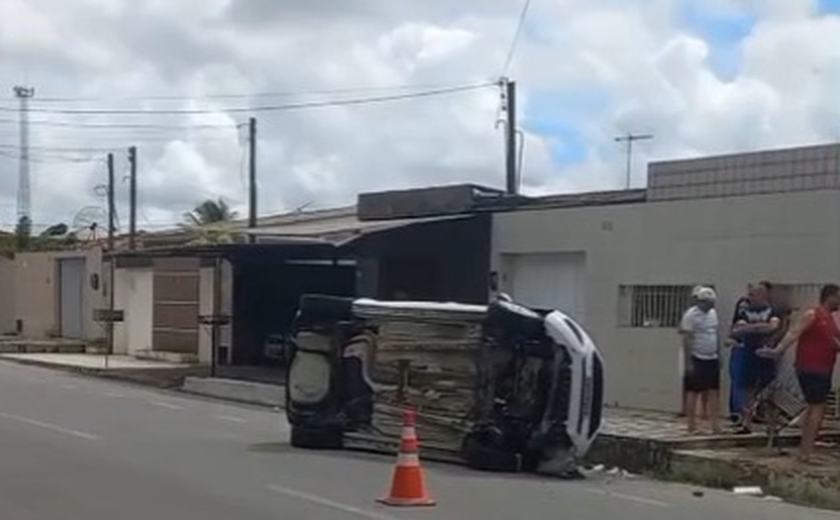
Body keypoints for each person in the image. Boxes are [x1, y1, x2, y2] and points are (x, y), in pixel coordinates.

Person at [758, 284, 840, 463]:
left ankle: (806, 447)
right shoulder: (813, 314)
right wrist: (778, 350)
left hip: (824, 368)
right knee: (817, 408)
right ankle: (806, 453)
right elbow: (794, 332)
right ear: (830, 297)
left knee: (815, 408)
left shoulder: (830, 320)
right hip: (811, 368)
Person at [731, 282, 780, 433]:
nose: (750, 297)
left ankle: (771, 424)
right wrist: (759, 327)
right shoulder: (744, 310)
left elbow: (773, 327)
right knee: (747, 387)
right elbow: (737, 328)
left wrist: (751, 328)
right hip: (749, 353)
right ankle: (746, 423)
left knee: (769, 388)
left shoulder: (772, 309)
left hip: (765, 352)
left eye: (754, 294)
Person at [679, 287, 721, 434]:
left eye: (712, 303)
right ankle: (692, 424)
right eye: (707, 303)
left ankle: (715, 424)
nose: (710, 305)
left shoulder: (713, 314)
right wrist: (688, 361)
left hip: (712, 356)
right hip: (697, 356)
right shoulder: (691, 315)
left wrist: (719, 354)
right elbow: (686, 339)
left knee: (714, 390)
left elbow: (716, 334)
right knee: (693, 391)